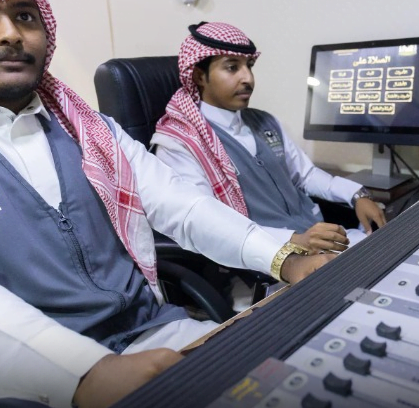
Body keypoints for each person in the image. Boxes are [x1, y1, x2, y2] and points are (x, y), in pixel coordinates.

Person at [0, 0, 336, 408]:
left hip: (155, 334)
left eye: (25, 16)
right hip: (27, 377)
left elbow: (182, 205)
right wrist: (83, 372)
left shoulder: (93, 131)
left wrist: (283, 257)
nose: (10, 34)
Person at [151, 22, 387, 254]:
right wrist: (295, 240)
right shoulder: (180, 143)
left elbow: (305, 175)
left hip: (319, 240)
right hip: (268, 258)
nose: (248, 79)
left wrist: (357, 195)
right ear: (200, 77)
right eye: (232, 68)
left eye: (249, 66)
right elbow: (207, 223)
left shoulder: (266, 122)